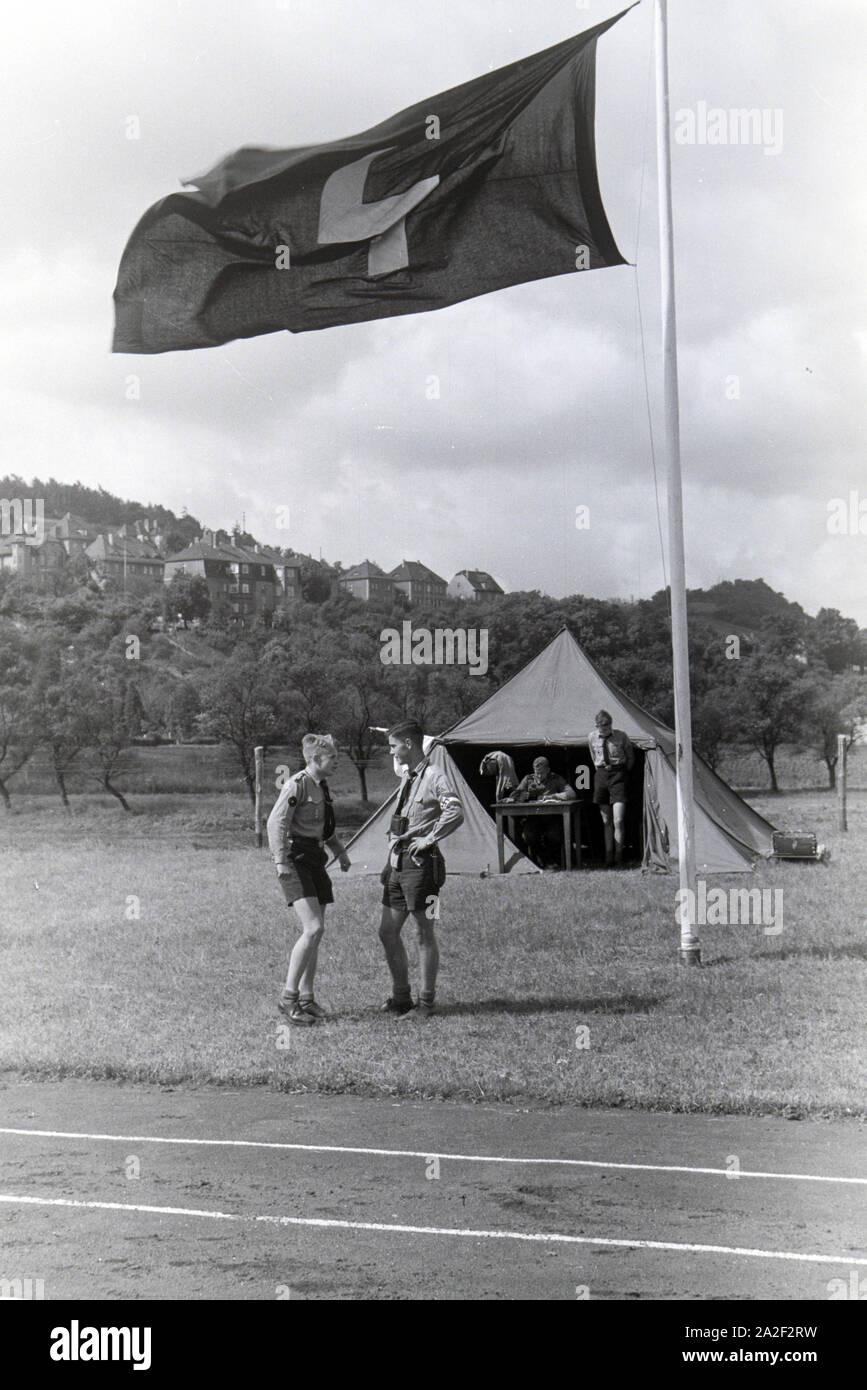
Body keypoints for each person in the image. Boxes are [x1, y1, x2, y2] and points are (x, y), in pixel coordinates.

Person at [378, 720, 464, 1020]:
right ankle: (401, 997)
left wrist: (429, 838)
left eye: (394, 746)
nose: (392, 752)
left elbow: (455, 810)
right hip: (399, 864)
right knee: (387, 931)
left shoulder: (434, 775)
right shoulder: (409, 776)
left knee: (424, 932)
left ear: (409, 744)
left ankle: (426, 1003)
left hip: (422, 867)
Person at [266, 733, 351, 1026]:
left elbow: (324, 828)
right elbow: (276, 822)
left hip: (315, 860)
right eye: (333, 758)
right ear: (315, 759)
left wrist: (339, 852)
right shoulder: (297, 784)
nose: (337, 763)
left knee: (318, 930)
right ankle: (288, 999)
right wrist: (280, 861)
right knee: (312, 928)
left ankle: (307, 997)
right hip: (295, 859)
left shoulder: (322, 787)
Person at [507, 756, 576, 869]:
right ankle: (542, 860)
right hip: (534, 818)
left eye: (542, 773)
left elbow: (571, 794)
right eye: (537, 773)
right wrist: (524, 796)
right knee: (528, 835)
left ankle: (553, 859)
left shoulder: (555, 778)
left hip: (552, 818)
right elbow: (515, 795)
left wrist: (554, 796)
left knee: (554, 835)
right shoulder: (528, 779)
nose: (539, 776)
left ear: (548, 770)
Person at [587, 709, 635, 867]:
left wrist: (622, 773)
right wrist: (602, 772)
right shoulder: (591, 737)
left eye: (608, 727)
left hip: (618, 775)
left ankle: (618, 856)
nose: (606, 730)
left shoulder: (621, 736)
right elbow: (594, 757)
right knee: (606, 820)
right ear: (597, 726)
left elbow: (630, 757)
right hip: (601, 775)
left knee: (618, 820)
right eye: (603, 728)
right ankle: (608, 857)